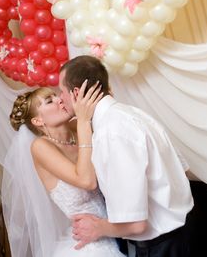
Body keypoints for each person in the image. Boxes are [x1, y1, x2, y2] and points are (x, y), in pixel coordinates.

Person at [59, 55, 194, 257]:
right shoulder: (135, 114)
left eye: (61, 91)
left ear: (76, 93)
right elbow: (181, 170)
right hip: (185, 233)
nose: (60, 99)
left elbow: (135, 224)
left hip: (163, 247)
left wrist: (98, 228)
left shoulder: (111, 133)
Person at [2, 83, 126, 257]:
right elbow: (87, 181)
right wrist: (83, 121)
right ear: (38, 121)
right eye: (49, 100)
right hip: (91, 243)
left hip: (119, 226)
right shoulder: (40, 147)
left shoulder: (78, 128)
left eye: (56, 95)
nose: (59, 99)